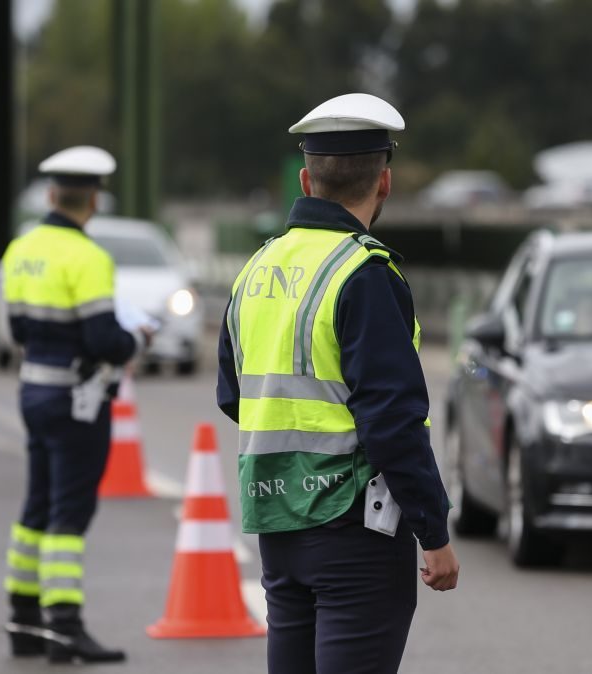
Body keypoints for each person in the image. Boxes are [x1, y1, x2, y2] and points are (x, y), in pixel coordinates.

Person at [216, 93, 459, 674]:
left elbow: (233, 395)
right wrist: (435, 532)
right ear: (385, 183)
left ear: (306, 178)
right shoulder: (364, 273)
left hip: (276, 521)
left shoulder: (259, 267)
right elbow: (393, 421)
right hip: (354, 530)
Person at [1, 146, 153, 664]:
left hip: (34, 390)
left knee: (36, 505)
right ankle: (64, 628)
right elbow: (103, 339)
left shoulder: (22, 247)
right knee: (70, 511)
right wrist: (137, 340)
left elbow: (17, 327)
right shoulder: (88, 257)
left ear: (50, 194)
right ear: (93, 198)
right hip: (76, 399)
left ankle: (22, 620)